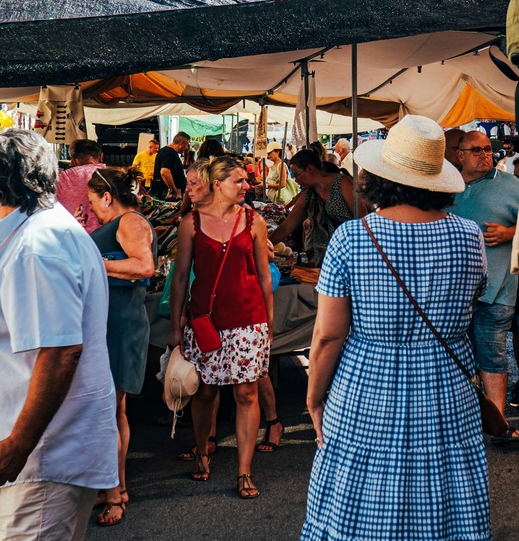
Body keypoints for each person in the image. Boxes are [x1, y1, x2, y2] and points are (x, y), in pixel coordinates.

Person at [302, 114, 489, 540]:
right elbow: (473, 300)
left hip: (368, 380)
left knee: (361, 490)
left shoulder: (351, 238)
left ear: (378, 178)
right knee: (443, 481)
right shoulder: (469, 236)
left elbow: (329, 335)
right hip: (446, 382)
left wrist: (315, 399)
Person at [0, 128, 118, 540]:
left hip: (43, 457)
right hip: (42, 451)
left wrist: (20, 443)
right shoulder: (44, 232)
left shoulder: (37, 245)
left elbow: (62, 351)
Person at [167, 155, 275, 499]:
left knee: (246, 392)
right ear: (218, 184)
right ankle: (202, 451)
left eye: (246, 181)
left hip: (248, 319)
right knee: (206, 391)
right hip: (205, 320)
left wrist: (269, 322)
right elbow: (181, 277)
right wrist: (175, 326)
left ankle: (244, 471)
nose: (247, 186)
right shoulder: (191, 223)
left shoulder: (255, 220)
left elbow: (263, 275)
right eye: (239, 181)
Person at [86, 167, 156, 527]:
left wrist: (93, 264)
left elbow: (145, 266)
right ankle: (115, 486)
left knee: (108, 413)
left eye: (93, 202)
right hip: (112, 322)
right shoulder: (127, 221)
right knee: (114, 412)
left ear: (108, 197)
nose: (91, 210)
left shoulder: (129, 222)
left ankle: (115, 494)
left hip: (121, 325)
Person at [449, 129, 519, 442]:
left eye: (488, 149)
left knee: (492, 354)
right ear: (459, 155)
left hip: (498, 287)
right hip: (452, 291)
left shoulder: (511, 186)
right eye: (476, 150)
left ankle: (498, 422)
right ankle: (464, 423)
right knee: (457, 357)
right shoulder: (445, 187)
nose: (485, 155)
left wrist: (509, 232)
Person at [269, 150, 359, 267]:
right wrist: (263, 245)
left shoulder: (343, 183)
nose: (295, 180)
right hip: (324, 258)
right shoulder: (308, 193)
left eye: (297, 175)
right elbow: (286, 227)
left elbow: (362, 220)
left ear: (310, 169)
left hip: (350, 254)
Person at [56, 139, 106, 233]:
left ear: (74, 160)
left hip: (75, 238)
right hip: (112, 239)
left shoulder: (62, 178)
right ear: (101, 156)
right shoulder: (114, 176)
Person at [151, 132, 190, 200]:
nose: (186, 148)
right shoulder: (169, 153)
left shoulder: (164, 151)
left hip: (163, 192)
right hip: (168, 196)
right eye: (186, 145)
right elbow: (164, 172)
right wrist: (175, 191)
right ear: (181, 143)